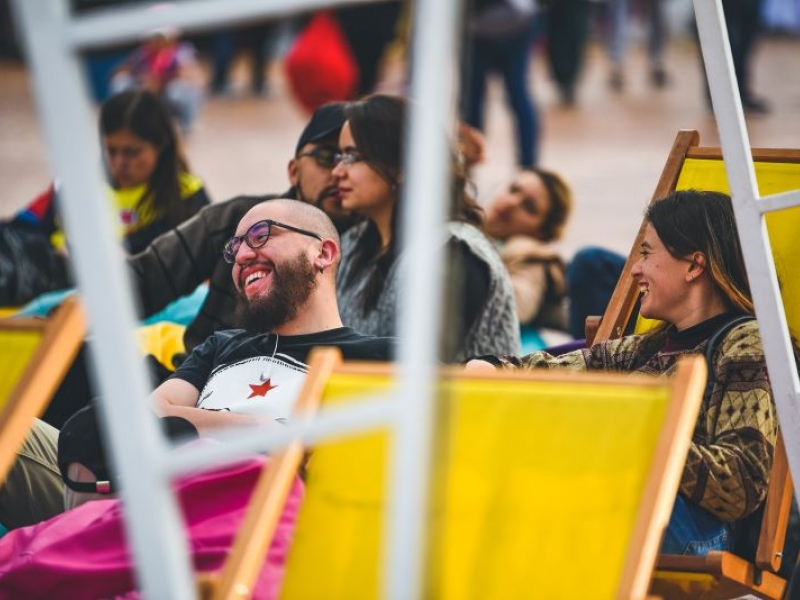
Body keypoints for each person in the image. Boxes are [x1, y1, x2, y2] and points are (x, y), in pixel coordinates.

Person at [467, 189, 777, 555]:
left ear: (694, 265)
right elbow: (554, 369)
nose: (634, 269)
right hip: (621, 505)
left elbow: (740, 482)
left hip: (697, 527)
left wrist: (633, 434)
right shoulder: (648, 346)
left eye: (646, 253)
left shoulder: (746, 342)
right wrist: (493, 367)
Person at [41, 102, 355, 430]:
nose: (339, 172)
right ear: (293, 169)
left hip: (296, 405)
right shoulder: (236, 220)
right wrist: (59, 326)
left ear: (326, 254)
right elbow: (144, 278)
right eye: (326, 157)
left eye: (352, 159)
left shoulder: (375, 250)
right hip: (195, 382)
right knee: (65, 362)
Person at [151, 199, 394, 435]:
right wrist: (262, 429)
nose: (241, 257)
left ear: (323, 253)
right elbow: (151, 415)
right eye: (235, 249)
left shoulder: (384, 356)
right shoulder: (218, 347)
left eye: (261, 236)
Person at [332, 94, 521, 363]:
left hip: (466, 403)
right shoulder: (352, 242)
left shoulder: (452, 253)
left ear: (401, 166)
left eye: (352, 156)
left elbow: (420, 368)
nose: (337, 171)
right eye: (339, 156)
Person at [15, 89, 211, 255]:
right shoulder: (75, 186)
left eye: (132, 152)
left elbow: (206, 262)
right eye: (111, 150)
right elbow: (22, 231)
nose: (119, 162)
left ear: (161, 145)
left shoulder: (188, 195)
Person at [484, 167, 572, 334]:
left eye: (529, 207)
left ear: (543, 233)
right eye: (513, 190)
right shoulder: (467, 221)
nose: (511, 203)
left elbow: (516, 306)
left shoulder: (530, 255)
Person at [461, 0, 541, 167]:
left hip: (483, 27)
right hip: (517, 19)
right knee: (517, 94)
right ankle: (529, 164)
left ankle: (469, 162)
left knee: (474, 99)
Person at [110, 27, 204, 131]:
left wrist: (161, 80)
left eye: (161, 38)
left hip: (170, 97)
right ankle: (125, 125)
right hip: (147, 93)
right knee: (121, 83)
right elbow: (122, 70)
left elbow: (193, 77)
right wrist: (140, 78)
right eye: (154, 38)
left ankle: (185, 128)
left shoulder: (181, 53)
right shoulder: (142, 54)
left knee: (177, 91)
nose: (157, 42)